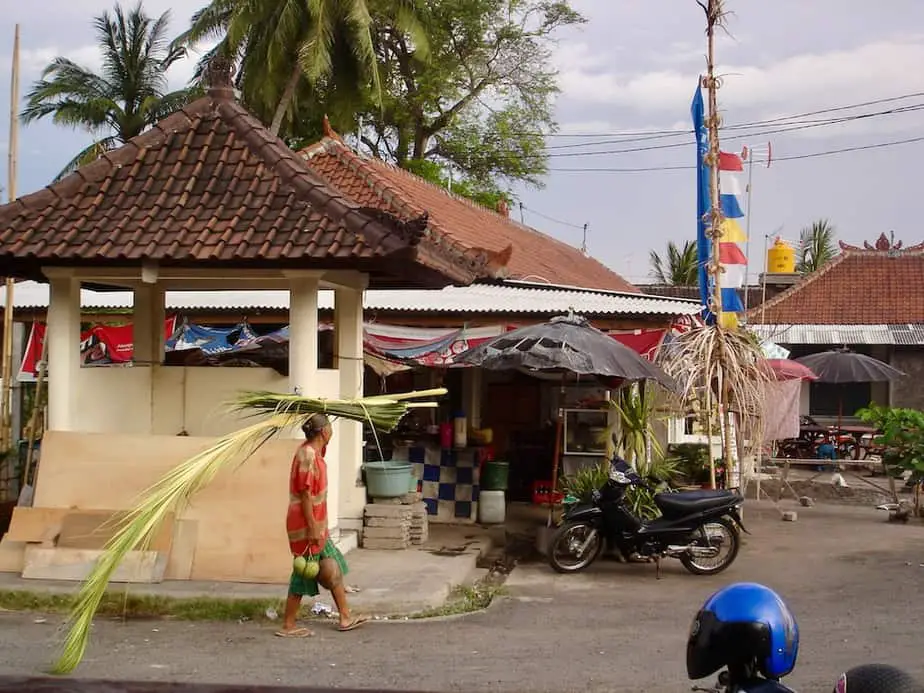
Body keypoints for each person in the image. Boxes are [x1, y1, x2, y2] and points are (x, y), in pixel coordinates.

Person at [277, 413, 368, 638]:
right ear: (324, 432)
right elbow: (305, 495)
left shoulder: (314, 451)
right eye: (329, 428)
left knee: (332, 564)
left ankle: (345, 616)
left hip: (318, 525)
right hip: (307, 525)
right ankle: (288, 625)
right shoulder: (307, 455)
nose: (332, 432)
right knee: (303, 571)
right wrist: (313, 528)